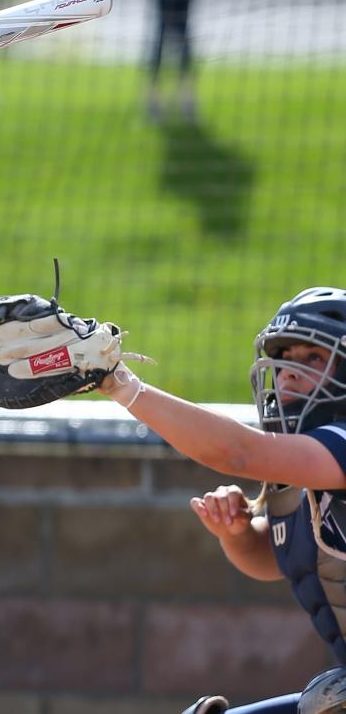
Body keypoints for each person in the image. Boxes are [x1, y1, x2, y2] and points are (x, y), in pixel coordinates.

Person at [88, 286, 346, 713]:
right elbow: (287, 559)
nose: (287, 374)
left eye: (312, 358)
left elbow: (237, 453)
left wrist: (120, 385)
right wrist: (239, 535)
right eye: (282, 359)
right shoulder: (296, 472)